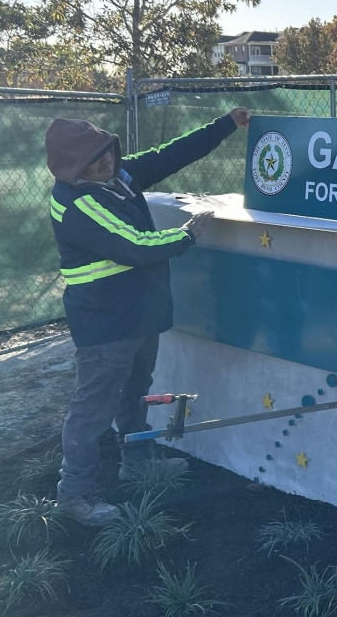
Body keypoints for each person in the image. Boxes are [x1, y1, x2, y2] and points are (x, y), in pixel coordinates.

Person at [45, 107, 251, 526]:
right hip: (106, 324)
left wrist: (225, 125)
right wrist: (186, 233)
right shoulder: (78, 202)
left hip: (137, 314)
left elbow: (167, 156)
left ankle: (136, 459)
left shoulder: (115, 177)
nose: (105, 160)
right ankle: (75, 494)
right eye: (92, 160)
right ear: (72, 168)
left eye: (106, 150)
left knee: (135, 390)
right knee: (93, 408)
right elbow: (136, 245)